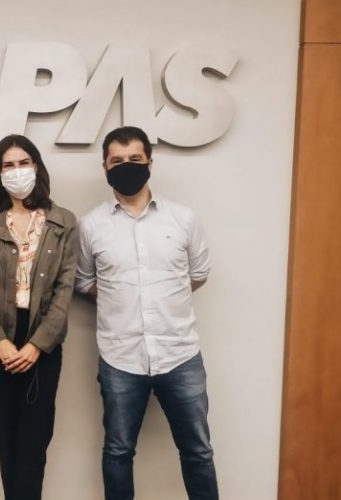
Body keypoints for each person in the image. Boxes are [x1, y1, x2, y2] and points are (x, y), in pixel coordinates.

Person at [76, 126, 219, 500]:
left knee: (198, 451)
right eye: (117, 161)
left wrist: (160, 297)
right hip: (120, 358)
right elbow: (83, 281)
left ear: (150, 163)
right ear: (105, 167)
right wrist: (122, 297)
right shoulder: (90, 226)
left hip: (180, 354)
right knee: (118, 451)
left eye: (135, 159)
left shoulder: (183, 219)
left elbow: (199, 274)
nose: (126, 166)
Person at [0, 134, 78, 500]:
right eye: (8, 165)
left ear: (37, 167)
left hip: (41, 343)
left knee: (35, 438)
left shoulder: (63, 221)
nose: (17, 171)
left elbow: (64, 289)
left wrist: (37, 346)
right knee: (6, 436)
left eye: (23, 163)